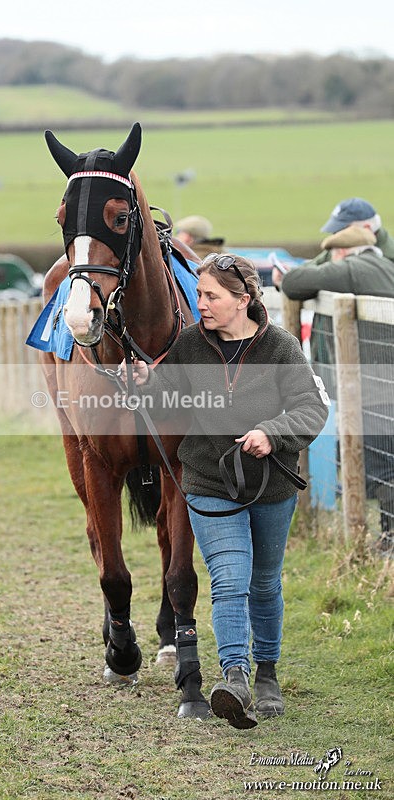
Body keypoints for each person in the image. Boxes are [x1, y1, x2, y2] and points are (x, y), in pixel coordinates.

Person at [121, 253, 329, 729]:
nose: (202, 304)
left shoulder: (278, 348)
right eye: (198, 295)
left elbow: (310, 407)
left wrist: (271, 433)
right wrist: (144, 384)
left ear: (243, 300)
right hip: (209, 481)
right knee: (230, 579)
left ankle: (267, 674)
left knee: (264, 582)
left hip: (272, 485)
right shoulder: (191, 345)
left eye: (211, 296)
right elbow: (167, 401)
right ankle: (233, 677)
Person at [275, 226, 394, 549]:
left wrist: (315, 264)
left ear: (340, 254)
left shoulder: (352, 268)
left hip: (374, 390)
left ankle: (388, 541)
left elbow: (293, 283)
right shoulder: (387, 266)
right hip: (384, 384)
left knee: (380, 470)